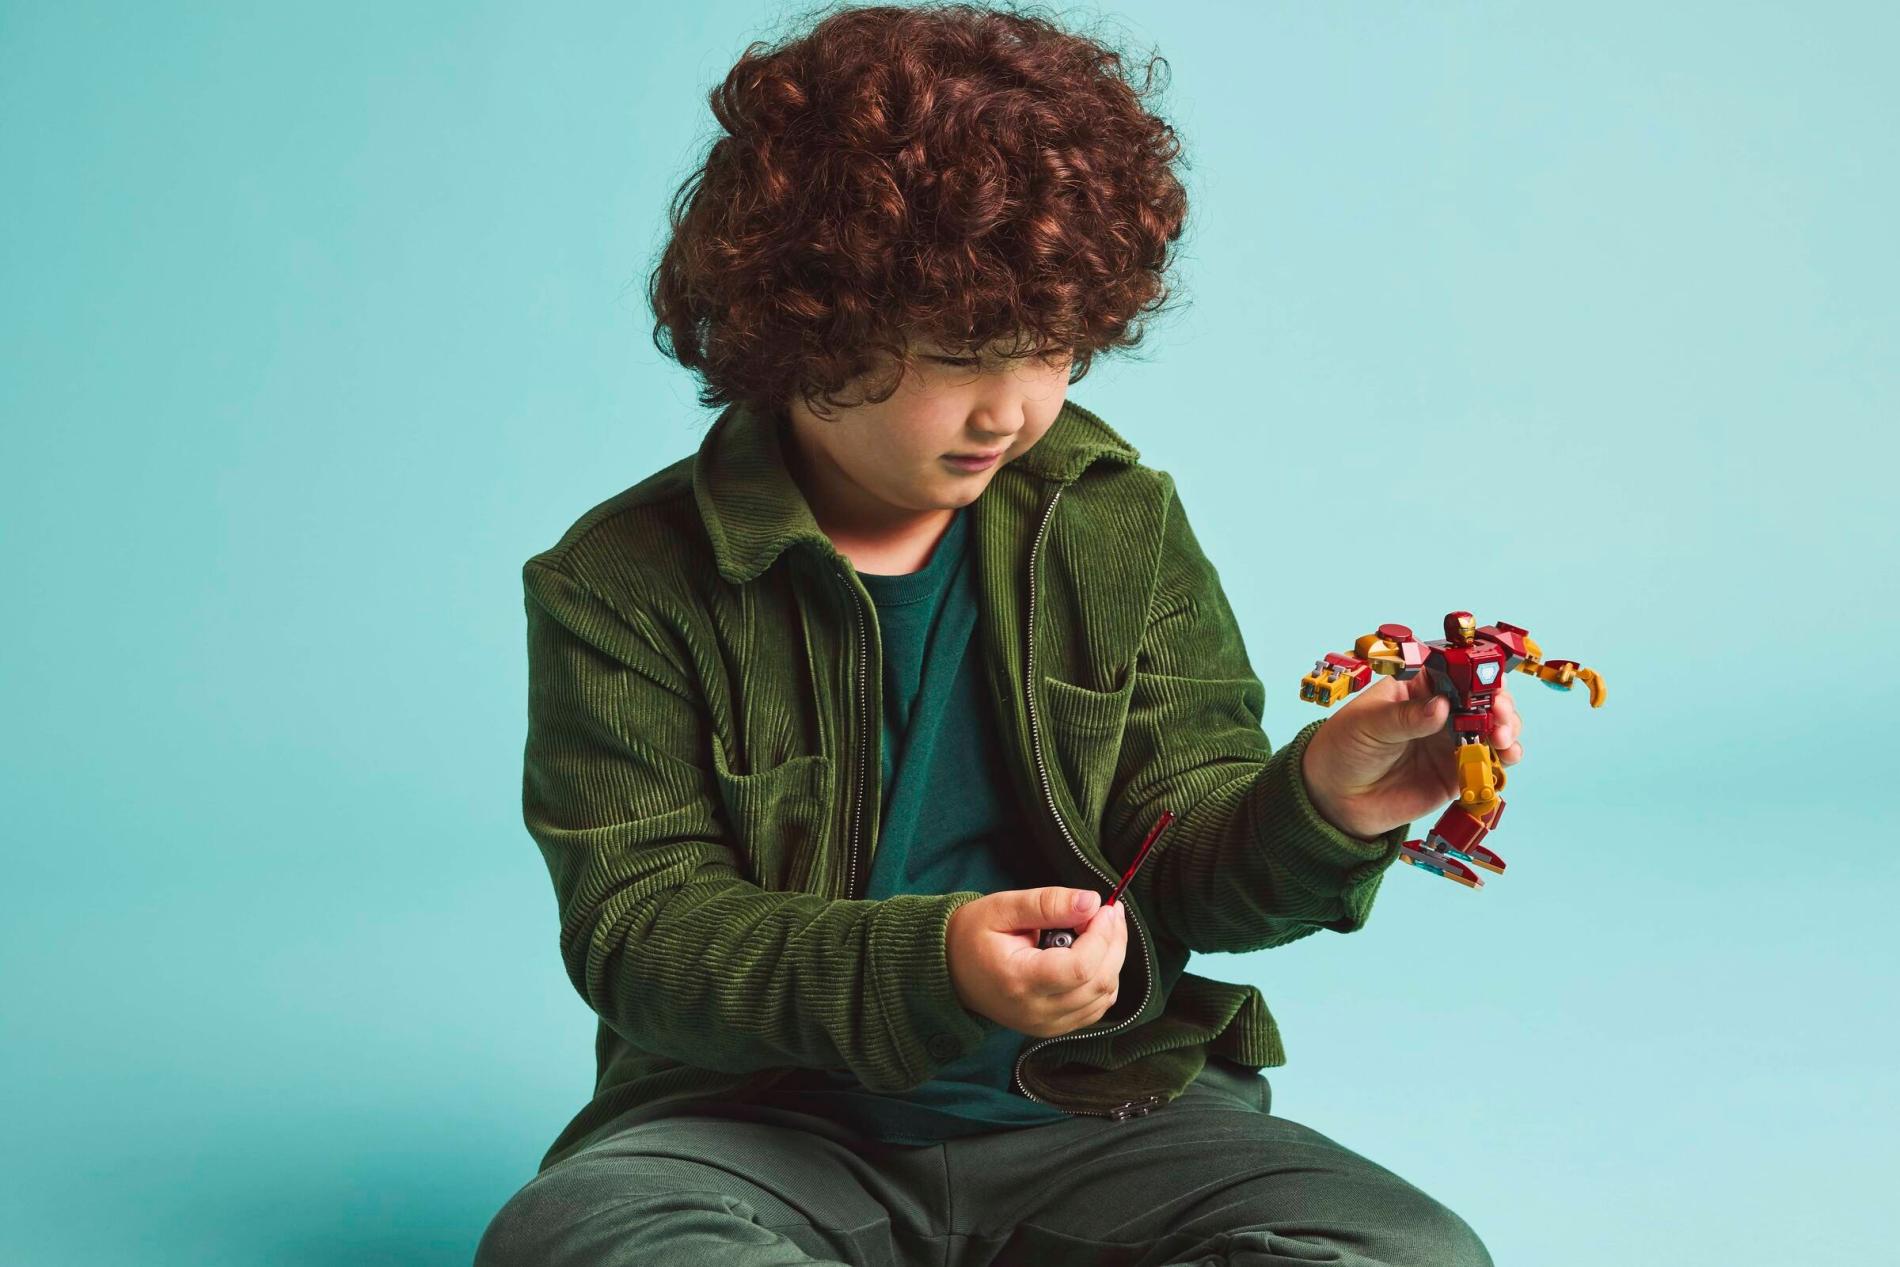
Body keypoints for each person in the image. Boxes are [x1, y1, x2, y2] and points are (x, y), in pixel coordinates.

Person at [477, 4, 1513, 1263]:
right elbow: (642, 935)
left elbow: (1188, 861)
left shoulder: (1116, 521)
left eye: (1056, 349)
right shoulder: (620, 581)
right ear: (809, 322)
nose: (1014, 411)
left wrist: (1326, 801)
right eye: (964, 354)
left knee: (1409, 1249)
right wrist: (939, 964)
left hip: (1098, 1110)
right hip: (755, 1124)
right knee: (578, 1238)